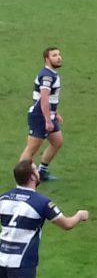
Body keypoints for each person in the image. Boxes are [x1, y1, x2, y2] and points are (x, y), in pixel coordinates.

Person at [19, 48, 64, 182]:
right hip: (40, 116)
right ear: (47, 59)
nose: (59, 57)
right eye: (54, 55)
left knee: (57, 142)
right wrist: (47, 120)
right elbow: (43, 98)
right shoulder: (47, 76)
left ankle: (42, 172)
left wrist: (55, 114)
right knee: (31, 150)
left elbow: (50, 98)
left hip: (48, 115)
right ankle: (21, 179)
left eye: (59, 54)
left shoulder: (52, 74)